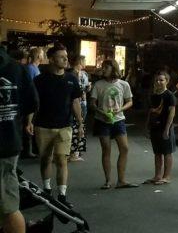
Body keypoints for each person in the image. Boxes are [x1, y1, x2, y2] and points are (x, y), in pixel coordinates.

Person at [0, 45, 38, 233]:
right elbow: (32, 103)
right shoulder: (17, 69)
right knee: (7, 201)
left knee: (7, 206)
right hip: (9, 142)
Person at [32, 44, 82, 203]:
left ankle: (62, 195)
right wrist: (29, 121)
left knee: (61, 159)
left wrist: (80, 124)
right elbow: (34, 103)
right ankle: (47, 190)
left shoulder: (71, 79)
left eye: (66, 56)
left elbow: (75, 102)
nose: (66, 59)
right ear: (52, 59)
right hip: (43, 125)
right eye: (62, 57)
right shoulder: (39, 80)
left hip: (64, 126)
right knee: (45, 159)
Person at [90, 59, 134, 189]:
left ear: (113, 68)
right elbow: (92, 103)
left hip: (118, 119)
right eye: (102, 67)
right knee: (106, 149)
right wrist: (100, 111)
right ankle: (108, 181)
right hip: (102, 120)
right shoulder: (98, 84)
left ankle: (121, 180)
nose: (103, 70)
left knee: (124, 148)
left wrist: (120, 109)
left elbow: (130, 101)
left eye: (106, 67)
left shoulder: (123, 84)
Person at [146, 69, 176, 185]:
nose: (159, 82)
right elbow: (151, 111)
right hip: (154, 127)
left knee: (167, 152)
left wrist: (167, 129)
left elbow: (171, 113)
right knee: (157, 152)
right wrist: (147, 126)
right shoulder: (153, 95)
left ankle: (167, 176)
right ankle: (157, 175)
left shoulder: (169, 96)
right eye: (157, 80)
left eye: (161, 80)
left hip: (165, 127)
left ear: (167, 81)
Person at [70, 54, 90, 161]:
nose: (85, 62)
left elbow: (85, 88)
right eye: (84, 60)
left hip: (83, 102)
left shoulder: (84, 73)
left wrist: (87, 89)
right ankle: (74, 152)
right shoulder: (72, 74)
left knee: (80, 125)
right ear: (80, 61)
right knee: (77, 125)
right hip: (77, 102)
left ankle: (76, 151)